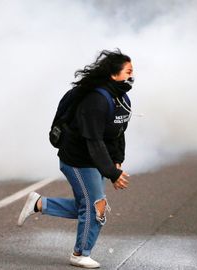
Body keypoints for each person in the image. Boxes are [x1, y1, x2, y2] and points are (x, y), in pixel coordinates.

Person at [17, 49, 134, 268]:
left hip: (96, 158)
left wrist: (117, 159)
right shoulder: (96, 100)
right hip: (78, 159)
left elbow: (118, 131)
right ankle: (80, 254)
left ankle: (40, 204)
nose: (132, 76)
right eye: (128, 71)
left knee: (88, 206)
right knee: (96, 208)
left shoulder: (122, 98)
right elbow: (94, 141)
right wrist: (112, 173)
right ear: (113, 74)